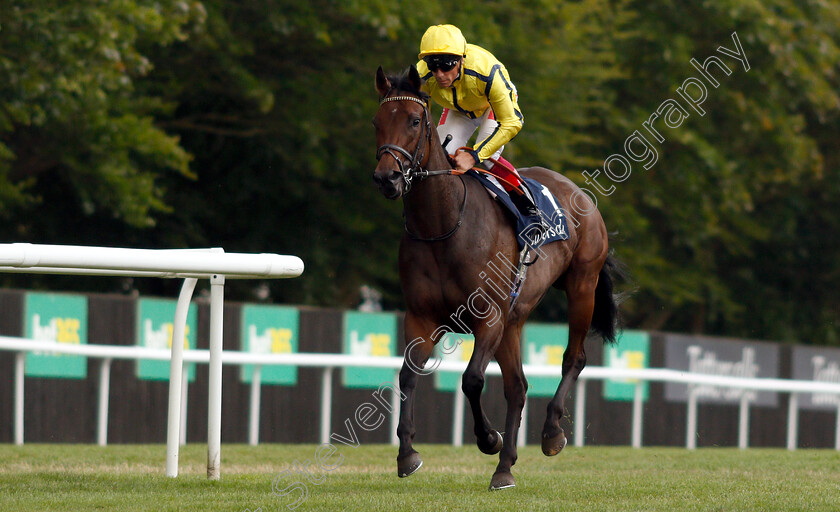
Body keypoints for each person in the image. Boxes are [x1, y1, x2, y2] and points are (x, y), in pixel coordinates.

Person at [416, 24, 541, 222]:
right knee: (438, 157)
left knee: (488, 159)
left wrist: (475, 155)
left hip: (493, 106)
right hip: (460, 109)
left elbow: (512, 122)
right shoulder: (422, 75)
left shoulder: (487, 70)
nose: (439, 74)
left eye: (447, 65)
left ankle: (527, 205)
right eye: (433, 65)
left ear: (461, 59)